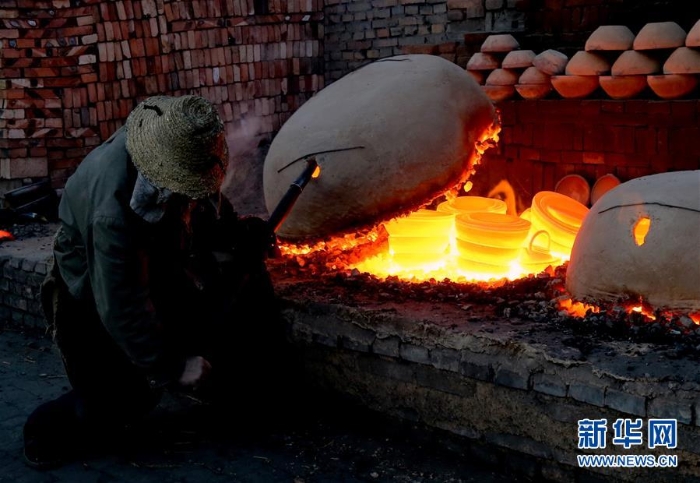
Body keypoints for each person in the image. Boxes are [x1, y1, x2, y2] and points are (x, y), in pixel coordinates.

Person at [23, 95, 283, 469]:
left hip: (156, 264)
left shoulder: (176, 138)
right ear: (161, 173)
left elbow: (205, 204)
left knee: (213, 308)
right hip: (89, 290)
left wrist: (237, 232)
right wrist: (174, 368)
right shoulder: (111, 214)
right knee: (123, 399)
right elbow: (121, 306)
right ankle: (47, 427)